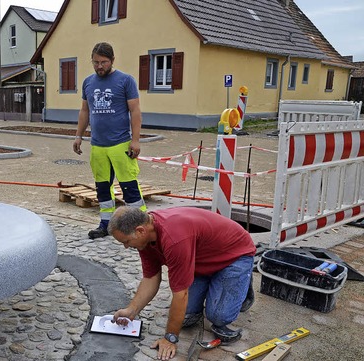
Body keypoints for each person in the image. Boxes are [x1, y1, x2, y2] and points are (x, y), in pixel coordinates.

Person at [108, 206, 256, 360]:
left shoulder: (174, 238)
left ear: (140, 231)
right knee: (185, 317)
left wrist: (170, 337)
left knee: (218, 317)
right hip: (201, 260)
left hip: (234, 256)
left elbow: (181, 294)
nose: (126, 247)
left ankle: (243, 282)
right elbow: (151, 277)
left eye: (126, 241)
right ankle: (212, 283)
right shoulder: (145, 238)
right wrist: (132, 310)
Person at [73, 42, 146, 239]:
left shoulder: (125, 81)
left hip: (121, 144)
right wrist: (79, 135)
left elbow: (135, 111)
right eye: (96, 62)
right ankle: (105, 224)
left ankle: (141, 226)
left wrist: (136, 140)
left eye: (104, 62)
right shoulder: (88, 82)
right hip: (98, 146)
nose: (99, 66)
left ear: (112, 60)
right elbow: (85, 110)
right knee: (103, 188)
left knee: (129, 186)